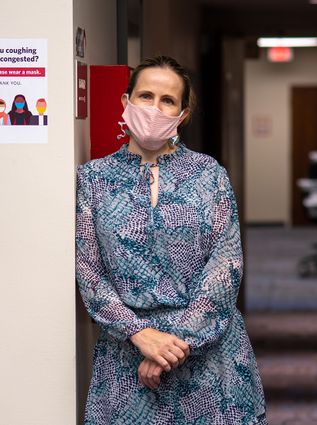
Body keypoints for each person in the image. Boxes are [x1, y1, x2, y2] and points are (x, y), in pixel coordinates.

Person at [76, 56, 267, 424]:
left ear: (182, 114)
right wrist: (140, 335)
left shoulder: (209, 174)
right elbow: (89, 269)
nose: (154, 108)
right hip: (126, 359)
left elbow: (226, 266)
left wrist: (169, 345)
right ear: (125, 102)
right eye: (145, 96)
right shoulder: (93, 179)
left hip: (210, 358)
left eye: (168, 101)